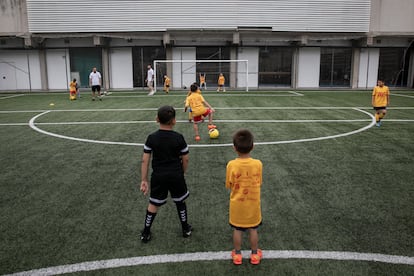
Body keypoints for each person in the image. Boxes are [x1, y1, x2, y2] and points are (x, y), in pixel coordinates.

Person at [140, 105, 192, 243]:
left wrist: (144, 179)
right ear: (174, 121)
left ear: (157, 119)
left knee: (154, 203)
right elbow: (185, 158)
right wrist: (182, 172)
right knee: (180, 200)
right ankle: (185, 228)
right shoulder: (179, 138)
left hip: (158, 176)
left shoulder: (151, 138)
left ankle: (146, 232)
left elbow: (145, 160)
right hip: (176, 175)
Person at [226, 129, 263, 265]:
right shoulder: (258, 164)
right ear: (252, 146)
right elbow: (259, 182)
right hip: (253, 205)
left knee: (237, 229)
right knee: (253, 229)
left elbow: (229, 184)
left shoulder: (231, 165)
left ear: (234, 148)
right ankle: (254, 255)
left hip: (237, 205)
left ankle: (237, 254)